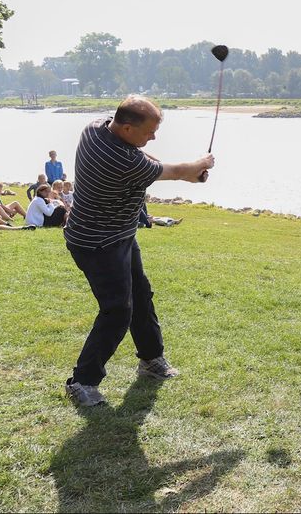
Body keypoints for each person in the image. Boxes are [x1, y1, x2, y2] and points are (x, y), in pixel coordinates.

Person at [63, 95, 214, 406]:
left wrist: (189, 171)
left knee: (141, 295)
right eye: (150, 131)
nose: (154, 136)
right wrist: (200, 165)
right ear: (128, 128)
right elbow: (171, 170)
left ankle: (150, 359)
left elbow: (153, 162)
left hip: (119, 235)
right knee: (118, 310)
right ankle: (82, 381)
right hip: (96, 244)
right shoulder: (123, 161)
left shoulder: (95, 128)